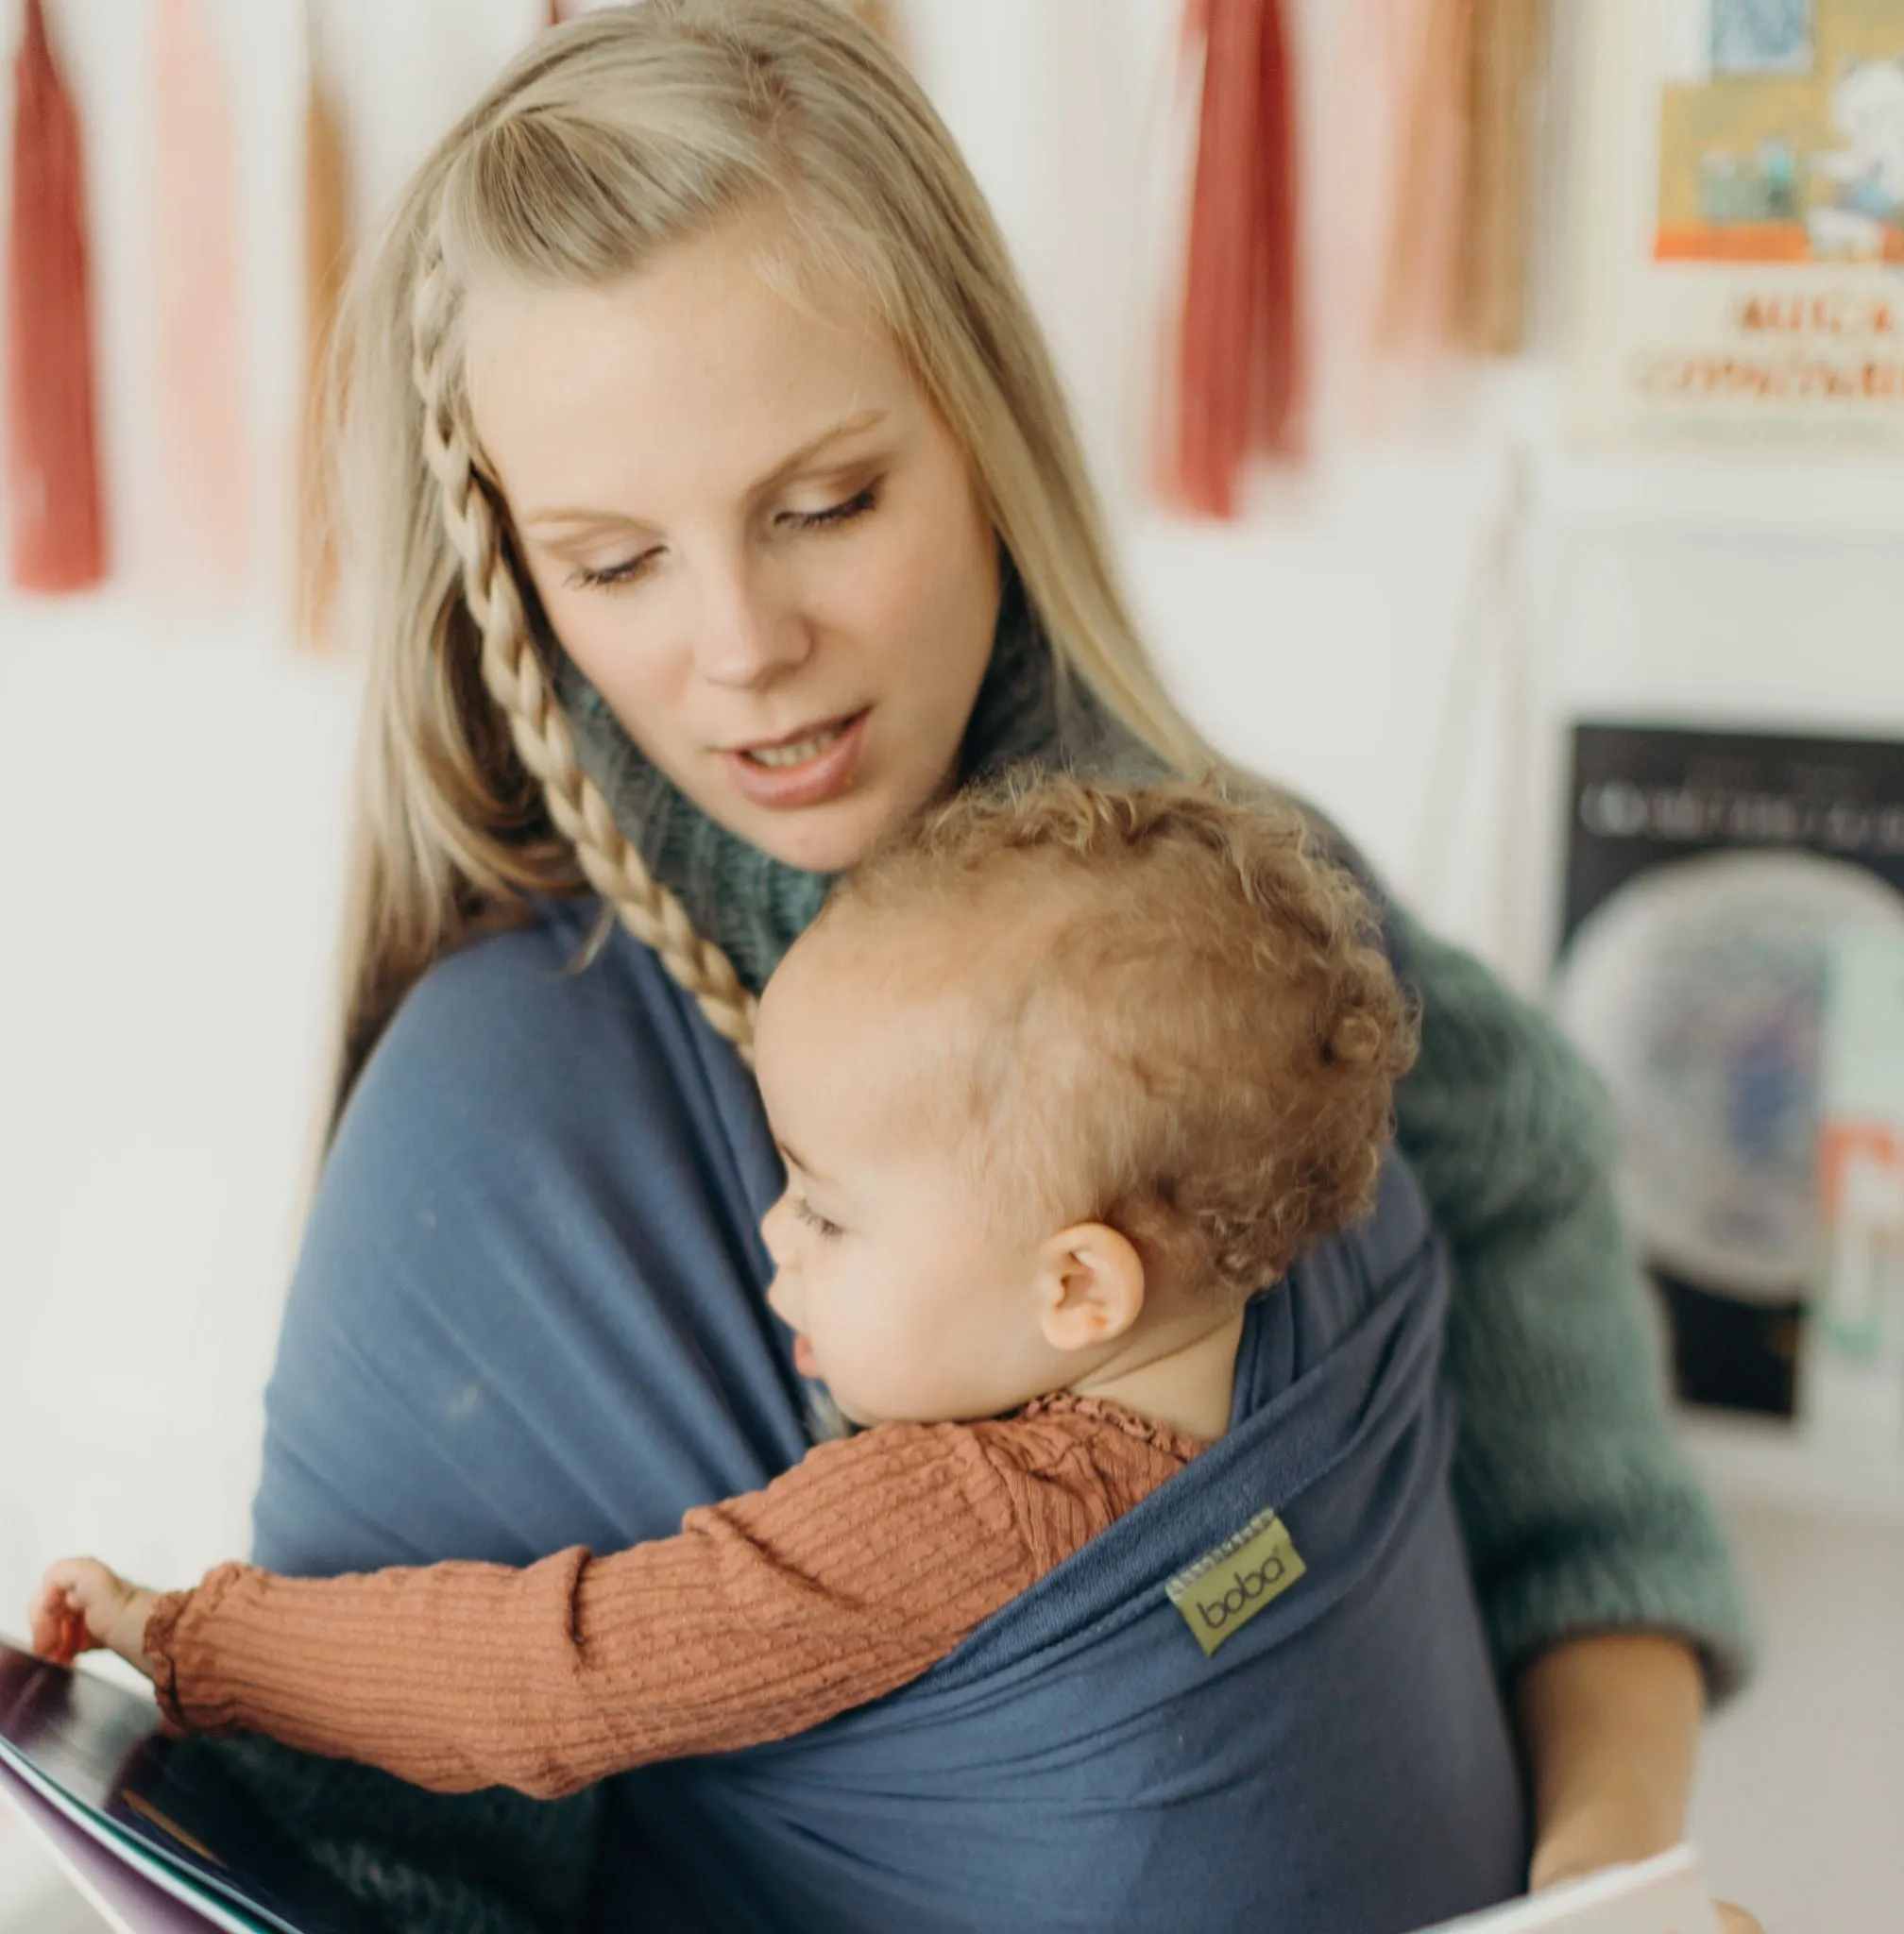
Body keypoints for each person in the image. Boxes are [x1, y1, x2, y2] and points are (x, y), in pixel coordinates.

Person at [232, 1, 1757, 1928]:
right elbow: (366, 1867)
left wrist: (1614, 1858)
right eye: (615, 562)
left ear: (988, 431)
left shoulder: (1242, 907)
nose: (743, 641)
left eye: (825, 504)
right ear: (512, 575)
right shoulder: (505, 1132)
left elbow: (1529, 1249)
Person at [36, 778, 1421, 1797]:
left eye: (826, 1205)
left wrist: (186, 1631)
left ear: (1077, 1288)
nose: (772, 1232)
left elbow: (554, 1680)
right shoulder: (1301, 1343)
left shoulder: (961, 1517)